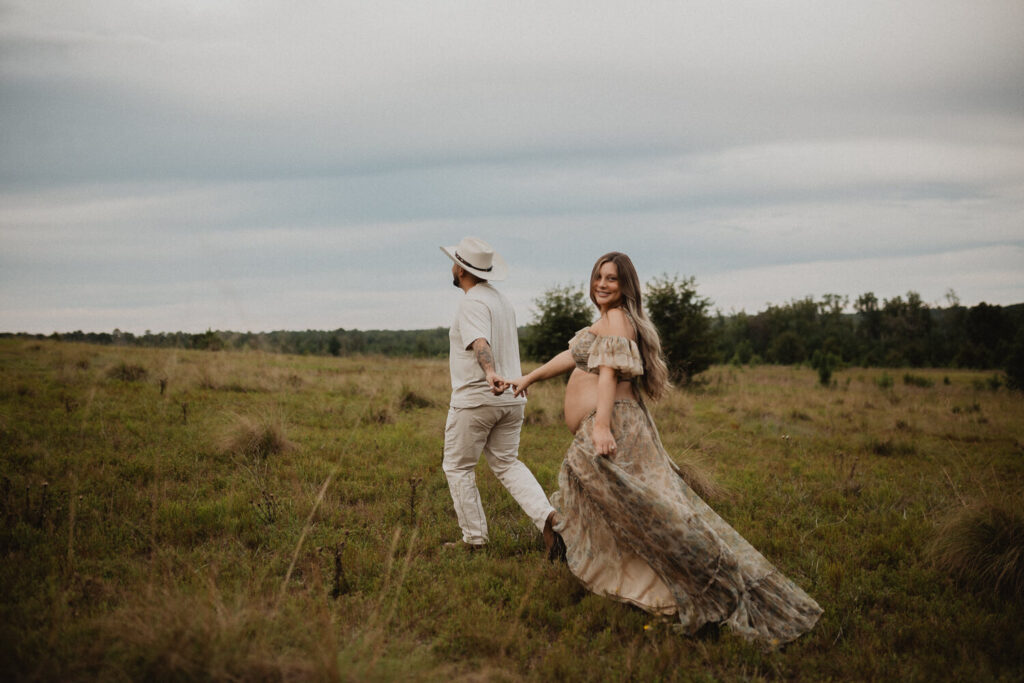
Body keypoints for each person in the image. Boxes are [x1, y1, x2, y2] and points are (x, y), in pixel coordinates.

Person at [504, 252, 822, 646]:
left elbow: (607, 373)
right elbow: (573, 356)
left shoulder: (618, 319)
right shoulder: (604, 322)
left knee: (652, 508)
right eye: (599, 277)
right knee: (631, 506)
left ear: (626, 288)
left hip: (617, 427)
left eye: (612, 280)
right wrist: (529, 377)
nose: (603, 284)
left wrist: (601, 425)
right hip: (611, 423)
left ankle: (706, 582)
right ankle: (649, 584)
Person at [440, 236, 558, 552]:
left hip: (478, 398)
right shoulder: (501, 301)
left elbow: (481, 343)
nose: (451, 266)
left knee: (458, 467)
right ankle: (549, 519)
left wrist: (490, 373)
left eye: (454, 262)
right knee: (507, 463)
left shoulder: (471, 303)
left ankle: (474, 541)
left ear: (462, 270)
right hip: (512, 398)